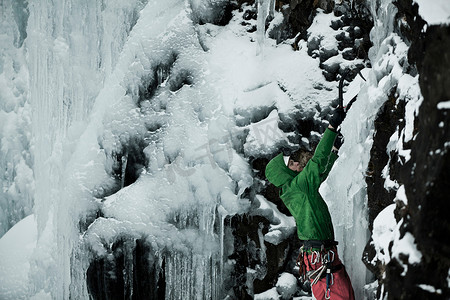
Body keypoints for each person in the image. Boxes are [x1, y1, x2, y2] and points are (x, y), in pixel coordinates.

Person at [265, 107, 355, 300]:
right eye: (290, 164)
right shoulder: (298, 186)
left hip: (316, 255)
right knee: (341, 295)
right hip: (321, 255)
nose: (297, 164)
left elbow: (319, 174)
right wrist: (332, 127)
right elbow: (316, 164)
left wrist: (334, 150)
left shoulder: (292, 189)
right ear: (282, 173)